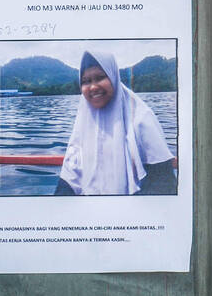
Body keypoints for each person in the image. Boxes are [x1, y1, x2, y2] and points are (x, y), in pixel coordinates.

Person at [54, 50, 177, 195]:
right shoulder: (84, 120)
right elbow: (69, 177)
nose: (93, 87)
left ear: (113, 77)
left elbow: (163, 181)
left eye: (100, 77)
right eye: (86, 81)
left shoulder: (141, 119)